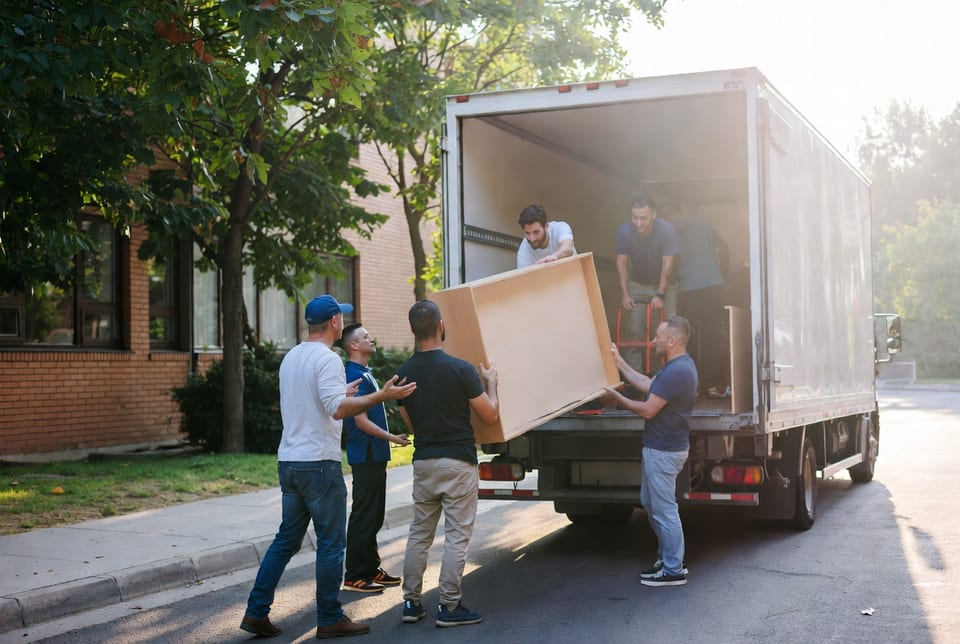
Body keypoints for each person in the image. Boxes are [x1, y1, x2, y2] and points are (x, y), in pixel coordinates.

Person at [240, 295, 417, 640]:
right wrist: (381, 396)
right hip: (319, 464)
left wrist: (345, 393)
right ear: (335, 322)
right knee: (332, 543)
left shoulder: (292, 356)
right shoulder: (329, 359)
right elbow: (338, 410)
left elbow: (322, 400)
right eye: (342, 317)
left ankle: (256, 610)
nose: (343, 321)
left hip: (289, 460)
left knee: (285, 540)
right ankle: (330, 617)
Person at [395, 300, 499, 628]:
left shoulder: (402, 374)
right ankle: (449, 607)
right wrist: (492, 383)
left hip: (424, 462)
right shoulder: (462, 369)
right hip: (458, 461)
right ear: (440, 325)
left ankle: (411, 603)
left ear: (413, 329)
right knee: (456, 535)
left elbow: (410, 423)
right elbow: (489, 414)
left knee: (419, 533)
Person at [605, 315, 698, 588]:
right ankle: (668, 558)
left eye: (657, 336)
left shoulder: (677, 371)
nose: (652, 340)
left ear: (672, 340)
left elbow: (648, 409)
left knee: (665, 510)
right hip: (661, 447)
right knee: (651, 502)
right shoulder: (676, 366)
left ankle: (673, 569)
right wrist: (618, 360)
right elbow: (647, 385)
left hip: (664, 450)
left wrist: (616, 397)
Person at [339, 323, 411, 594]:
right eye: (366, 336)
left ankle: (370, 568)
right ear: (354, 345)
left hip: (374, 455)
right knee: (364, 515)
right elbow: (360, 422)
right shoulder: (353, 374)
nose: (372, 338)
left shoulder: (365, 373)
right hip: (365, 455)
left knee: (374, 515)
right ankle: (354, 575)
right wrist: (393, 438)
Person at [615, 192, 680, 373]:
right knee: (633, 333)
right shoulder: (625, 231)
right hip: (638, 284)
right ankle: (635, 380)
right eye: (634, 218)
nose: (638, 223)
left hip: (666, 285)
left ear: (653, 214)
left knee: (669, 332)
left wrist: (660, 294)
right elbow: (621, 262)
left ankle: (669, 377)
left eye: (643, 218)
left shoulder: (667, 230)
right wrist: (625, 294)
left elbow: (668, 264)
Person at [671, 208, 730, 397]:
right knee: (713, 336)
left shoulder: (670, 230)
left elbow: (670, 261)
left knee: (689, 337)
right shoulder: (704, 225)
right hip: (713, 286)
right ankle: (712, 384)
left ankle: (693, 384)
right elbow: (723, 247)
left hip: (689, 289)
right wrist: (723, 276)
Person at [516, 204, 576, 268]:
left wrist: (554, 257)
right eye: (527, 233)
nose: (532, 238)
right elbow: (524, 276)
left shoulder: (560, 227)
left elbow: (568, 249)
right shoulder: (523, 250)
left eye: (536, 232)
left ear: (546, 227)